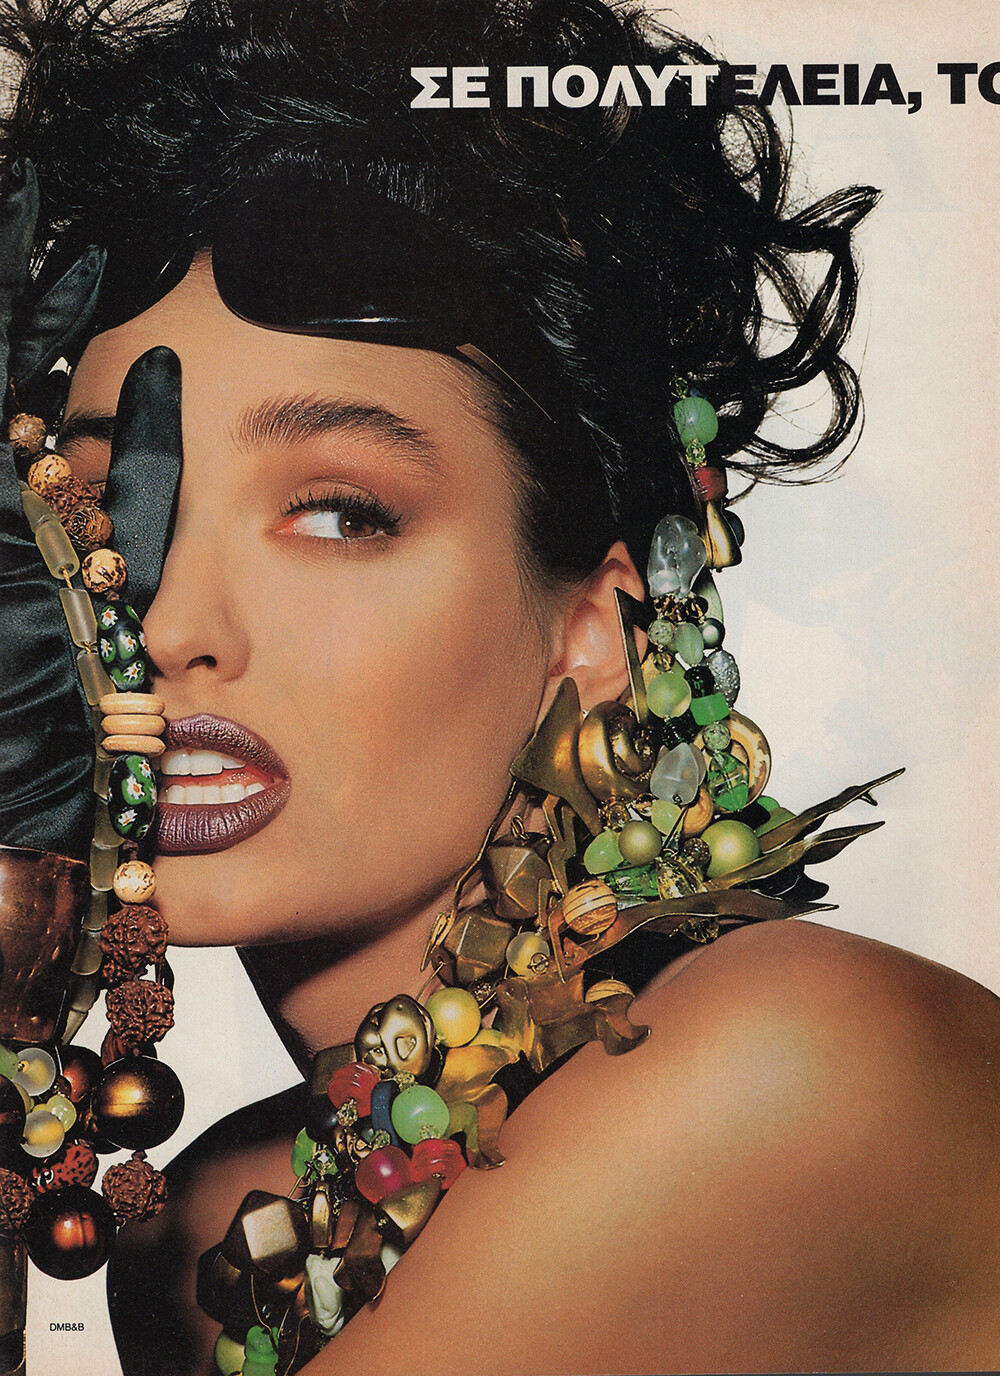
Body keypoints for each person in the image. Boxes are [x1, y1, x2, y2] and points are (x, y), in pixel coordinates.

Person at [1, 0, 999, 1373]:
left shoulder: (792, 1061)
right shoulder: (230, 1223)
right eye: (107, 510)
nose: (171, 627)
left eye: (341, 514)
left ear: (596, 626)